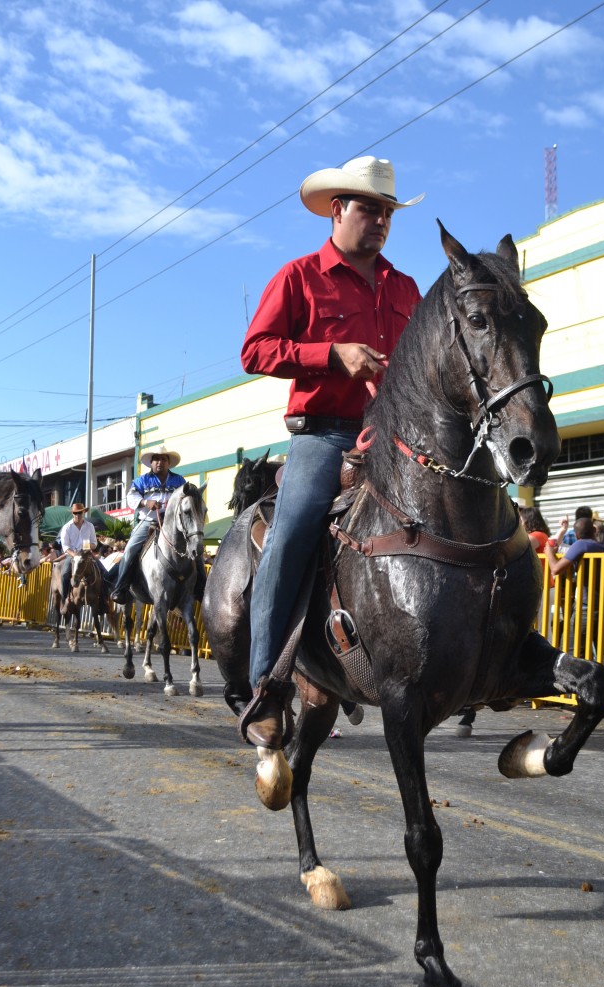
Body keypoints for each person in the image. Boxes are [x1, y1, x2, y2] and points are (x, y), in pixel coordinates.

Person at [239, 155, 423, 749]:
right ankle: (266, 686)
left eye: (389, 211)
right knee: (291, 533)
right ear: (338, 209)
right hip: (323, 434)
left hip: (390, 432)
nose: (381, 221)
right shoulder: (298, 277)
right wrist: (331, 354)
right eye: (370, 208)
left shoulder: (405, 287)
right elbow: (255, 351)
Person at [110, 446, 205, 604]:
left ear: (168, 463)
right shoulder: (142, 480)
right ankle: (121, 588)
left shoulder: (179, 481)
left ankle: (201, 587)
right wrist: (145, 502)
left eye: (163, 459)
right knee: (130, 549)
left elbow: (186, 500)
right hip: (148, 521)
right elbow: (130, 497)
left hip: (174, 525)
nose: (160, 462)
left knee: (197, 550)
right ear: (151, 463)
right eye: (156, 459)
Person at [545, 516, 604, 656]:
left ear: (575, 534)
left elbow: (556, 569)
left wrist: (549, 553)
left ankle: (574, 678)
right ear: (594, 530)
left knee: (572, 650)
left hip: (586, 607)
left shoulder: (581, 545)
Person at [58, 503, 97, 613]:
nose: (77, 515)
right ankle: (65, 599)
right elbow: (65, 547)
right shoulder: (66, 527)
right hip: (72, 556)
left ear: (84, 512)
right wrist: (74, 555)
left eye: (79, 512)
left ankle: (103, 600)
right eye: (75, 513)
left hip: (87, 555)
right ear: (72, 514)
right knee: (65, 573)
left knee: (102, 571)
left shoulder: (90, 526)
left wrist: (89, 546)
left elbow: (95, 543)